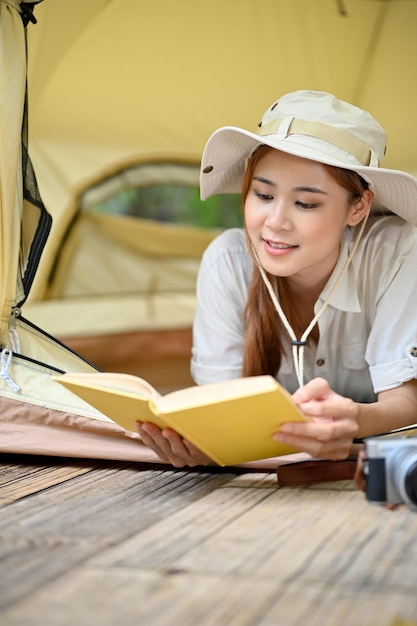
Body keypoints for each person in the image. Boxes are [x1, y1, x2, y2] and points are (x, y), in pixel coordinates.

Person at [137, 89, 417, 468]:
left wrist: (356, 421)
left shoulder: (398, 255)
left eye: (306, 203)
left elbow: (406, 400)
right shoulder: (227, 262)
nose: (276, 222)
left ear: (358, 206)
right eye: (263, 195)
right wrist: (206, 440)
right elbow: (220, 406)